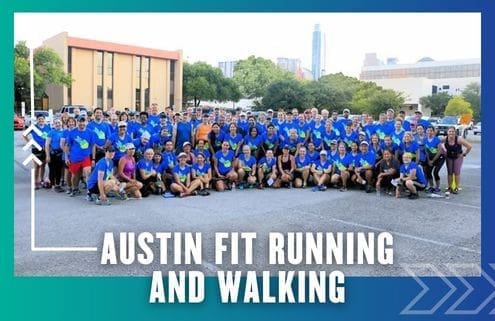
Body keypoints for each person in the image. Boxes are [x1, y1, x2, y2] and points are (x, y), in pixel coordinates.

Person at [64, 117, 95, 196]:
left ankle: (89, 192)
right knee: (75, 175)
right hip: (75, 157)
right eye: (80, 122)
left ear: (86, 122)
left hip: (86, 157)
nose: (82, 124)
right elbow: (67, 146)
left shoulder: (90, 132)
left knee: (87, 173)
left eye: (83, 122)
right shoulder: (72, 132)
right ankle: (75, 189)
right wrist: (66, 158)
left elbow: (93, 146)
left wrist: (93, 159)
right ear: (77, 122)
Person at [23, 114, 51, 189]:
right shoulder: (33, 127)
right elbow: (24, 135)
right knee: (37, 166)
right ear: (37, 120)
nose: (41, 120)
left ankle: (41, 180)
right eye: (39, 119)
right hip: (36, 149)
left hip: (45, 149)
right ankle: (35, 182)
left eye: (42, 119)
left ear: (45, 119)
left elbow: (50, 136)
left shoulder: (48, 127)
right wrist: (30, 142)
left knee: (43, 165)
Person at [443, 126, 472, 194]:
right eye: (449, 131)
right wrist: (443, 151)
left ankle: (456, 187)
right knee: (449, 173)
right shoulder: (445, 139)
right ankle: (450, 187)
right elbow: (439, 144)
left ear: (455, 132)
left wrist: (464, 154)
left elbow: (469, 146)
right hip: (449, 157)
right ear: (447, 132)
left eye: (452, 131)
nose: (451, 133)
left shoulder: (459, 139)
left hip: (458, 157)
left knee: (456, 172)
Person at [45, 119, 65, 192]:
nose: (58, 124)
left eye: (59, 123)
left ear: (61, 123)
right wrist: (47, 155)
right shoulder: (51, 132)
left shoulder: (64, 132)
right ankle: (53, 185)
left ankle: (57, 184)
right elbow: (47, 145)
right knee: (52, 170)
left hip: (61, 154)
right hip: (52, 154)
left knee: (59, 170)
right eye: (56, 123)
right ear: (53, 124)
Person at [423, 126, 445, 193]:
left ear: (433, 131)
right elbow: (426, 151)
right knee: (428, 172)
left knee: (435, 172)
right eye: (428, 130)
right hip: (430, 158)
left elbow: (439, 152)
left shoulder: (437, 139)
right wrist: (429, 160)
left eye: (431, 130)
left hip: (439, 158)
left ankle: (438, 187)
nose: (429, 132)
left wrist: (433, 160)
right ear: (426, 131)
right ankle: (431, 186)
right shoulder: (425, 139)